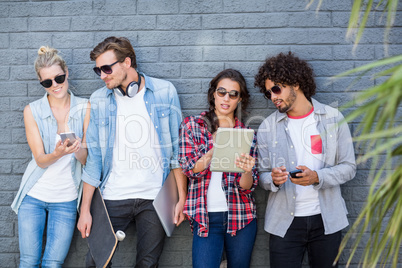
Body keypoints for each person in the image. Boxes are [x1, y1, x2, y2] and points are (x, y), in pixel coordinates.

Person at [76, 36, 188, 267]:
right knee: (96, 262)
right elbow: (94, 159)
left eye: (107, 68)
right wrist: (85, 210)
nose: (102, 75)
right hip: (113, 196)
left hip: (154, 197)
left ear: (127, 62)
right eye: (98, 70)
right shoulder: (99, 100)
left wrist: (181, 198)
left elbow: (177, 151)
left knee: (148, 264)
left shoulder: (164, 92)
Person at [254, 52, 356, 268]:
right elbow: (260, 175)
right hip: (284, 223)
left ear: (296, 83)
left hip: (326, 220)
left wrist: (318, 176)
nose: (273, 97)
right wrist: (272, 179)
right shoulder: (267, 127)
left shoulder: (332, 118)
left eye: (276, 88)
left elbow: (349, 168)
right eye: (268, 92)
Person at [11, 46, 90, 267]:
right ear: (41, 83)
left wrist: (77, 150)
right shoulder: (32, 110)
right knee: (28, 261)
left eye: (59, 78)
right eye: (47, 83)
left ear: (67, 73)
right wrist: (56, 153)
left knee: (53, 264)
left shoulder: (85, 107)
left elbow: (87, 161)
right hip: (33, 196)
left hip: (66, 199)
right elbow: (40, 159)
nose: (55, 86)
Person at [179, 69, 258, 268]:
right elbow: (189, 169)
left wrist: (247, 170)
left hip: (241, 216)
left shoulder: (245, 134)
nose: (226, 98)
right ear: (213, 93)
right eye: (222, 92)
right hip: (205, 216)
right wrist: (216, 146)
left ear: (240, 99)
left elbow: (247, 188)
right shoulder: (193, 126)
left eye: (233, 94)